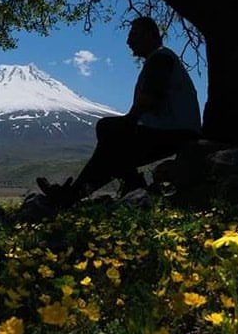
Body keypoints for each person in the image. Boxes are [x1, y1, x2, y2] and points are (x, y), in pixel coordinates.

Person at [36, 16, 201, 207]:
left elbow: (149, 98)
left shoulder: (161, 58)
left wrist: (128, 122)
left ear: (150, 35)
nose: (128, 41)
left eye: (134, 35)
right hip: (175, 129)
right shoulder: (161, 58)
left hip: (176, 131)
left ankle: (80, 192)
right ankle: (80, 193)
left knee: (109, 133)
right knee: (113, 147)